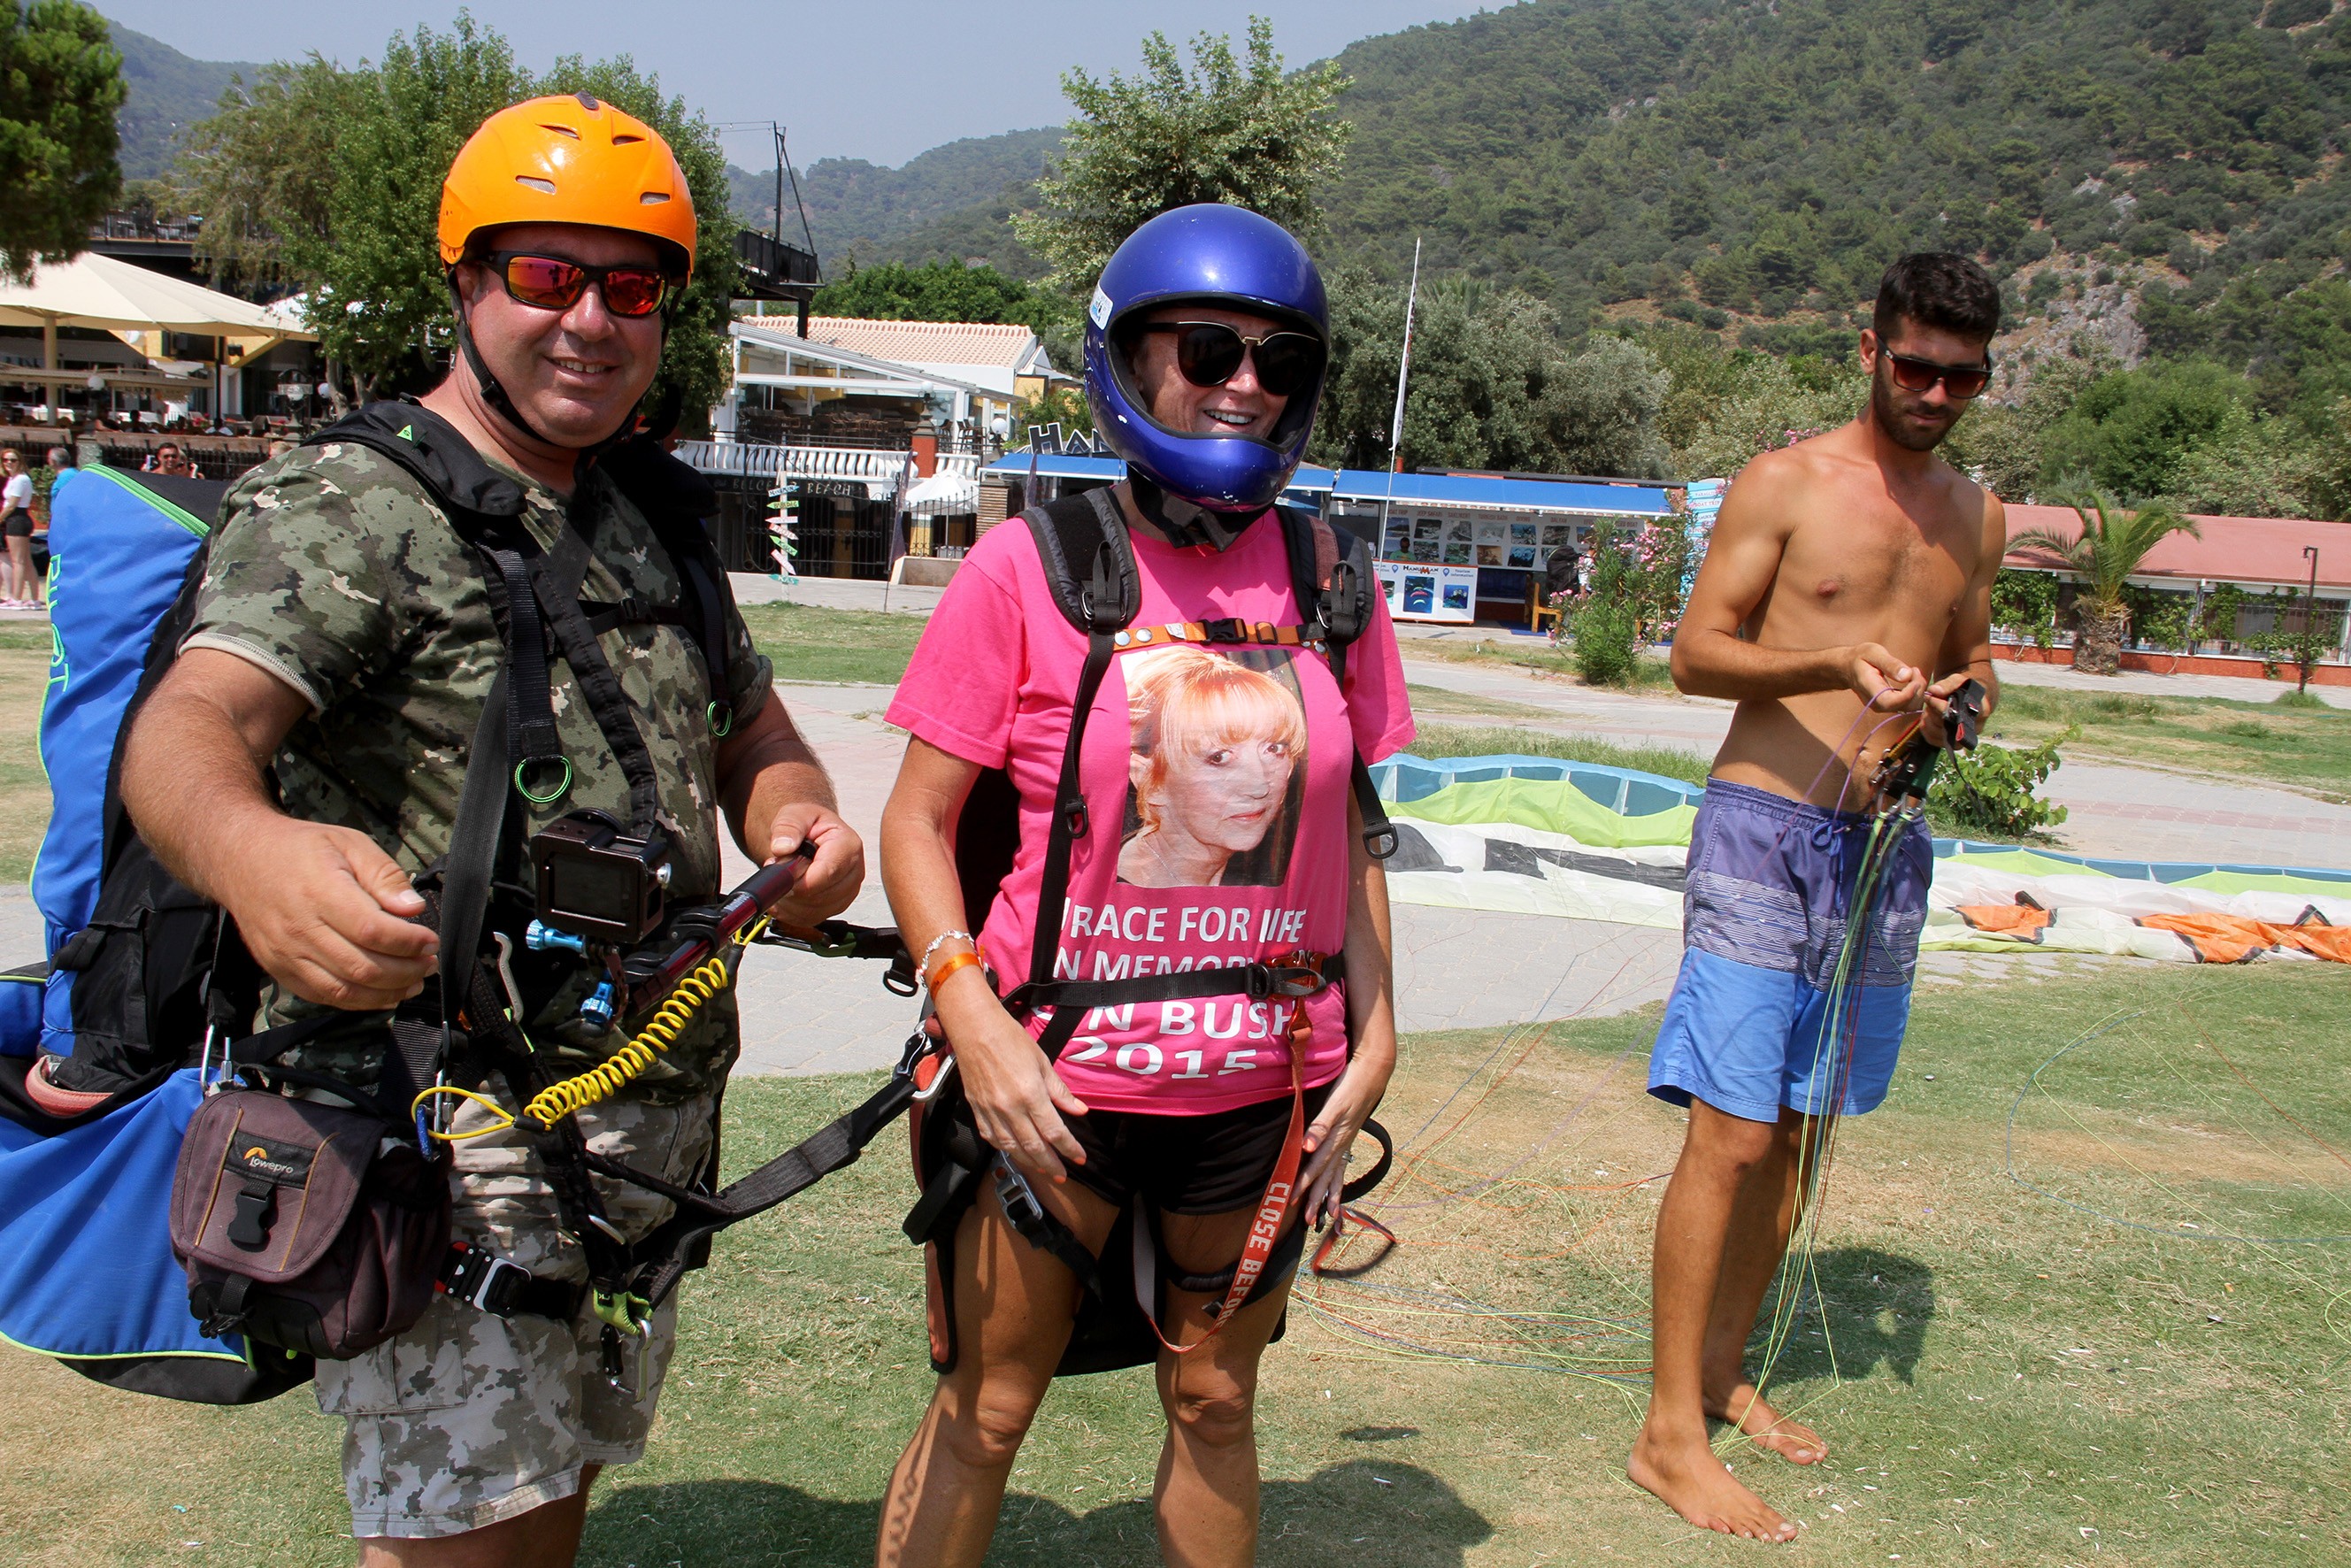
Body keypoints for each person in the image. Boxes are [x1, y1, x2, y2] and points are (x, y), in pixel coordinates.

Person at [118, 95, 864, 1566]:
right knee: (469, 1539)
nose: (590, 318)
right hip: (459, 1149)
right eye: (545, 276)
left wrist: (800, 817)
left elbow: (753, 731)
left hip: (635, 1155)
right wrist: (255, 856)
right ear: (465, 281)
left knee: (548, 1501)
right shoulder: (349, 505)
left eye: (632, 286)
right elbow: (190, 730)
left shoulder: (645, 512)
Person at [874, 204, 1415, 1568]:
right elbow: (918, 827)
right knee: (990, 1412)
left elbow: (1346, 829)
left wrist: (1381, 1023)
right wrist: (973, 1024)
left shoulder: (1332, 579)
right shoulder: (1029, 566)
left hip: (1263, 1084)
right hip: (1053, 1084)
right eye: (1210, 347)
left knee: (1219, 1397)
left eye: (1280, 361)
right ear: (1127, 356)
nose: (1243, 381)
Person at [1627, 252, 2005, 1542]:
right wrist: (1833, 656)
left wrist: (1964, 698)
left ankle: (1725, 1375)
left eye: (1961, 376)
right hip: (1764, 828)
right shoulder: (1787, 482)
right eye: (1915, 367)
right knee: (1727, 1133)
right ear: (1868, 351)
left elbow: (1972, 652)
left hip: (1878, 848)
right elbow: (1694, 654)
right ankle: (1665, 1435)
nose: (1935, 394)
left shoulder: (1975, 514)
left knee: (1796, 1129)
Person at [1118, 642, 1307, 888]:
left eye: (1274, 749)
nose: (1260, 786)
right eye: (1219, 757)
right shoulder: (1120, 889)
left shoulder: (1268, 868)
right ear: (1148, 779)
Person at [0, 448, 35, 608]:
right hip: (15, 519)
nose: (8, 463)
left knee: (18, 561)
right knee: (25, 561)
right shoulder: (13, 479)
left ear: (20, 461)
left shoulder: (21, 479)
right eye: (6, 460)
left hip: (18, 519)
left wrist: (0, 518)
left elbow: (12, 504)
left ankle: (16, 597)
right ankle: (34, 598)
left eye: (13, 460)